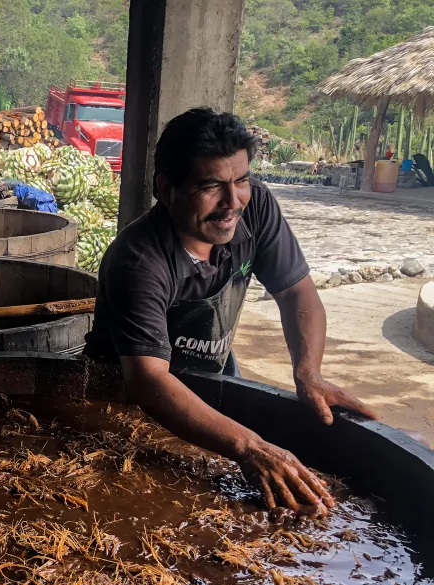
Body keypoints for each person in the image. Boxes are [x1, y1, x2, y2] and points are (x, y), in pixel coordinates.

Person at [84, 107, 378, 512]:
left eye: (241, 180)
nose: (232, 201)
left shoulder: (254, 209)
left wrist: (308, 372)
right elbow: (148, 381)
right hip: (127, 397)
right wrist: (248, 445)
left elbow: (297, 293)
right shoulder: (139, 260)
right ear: (166, 190)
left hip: (215, 372)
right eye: (212, 186)